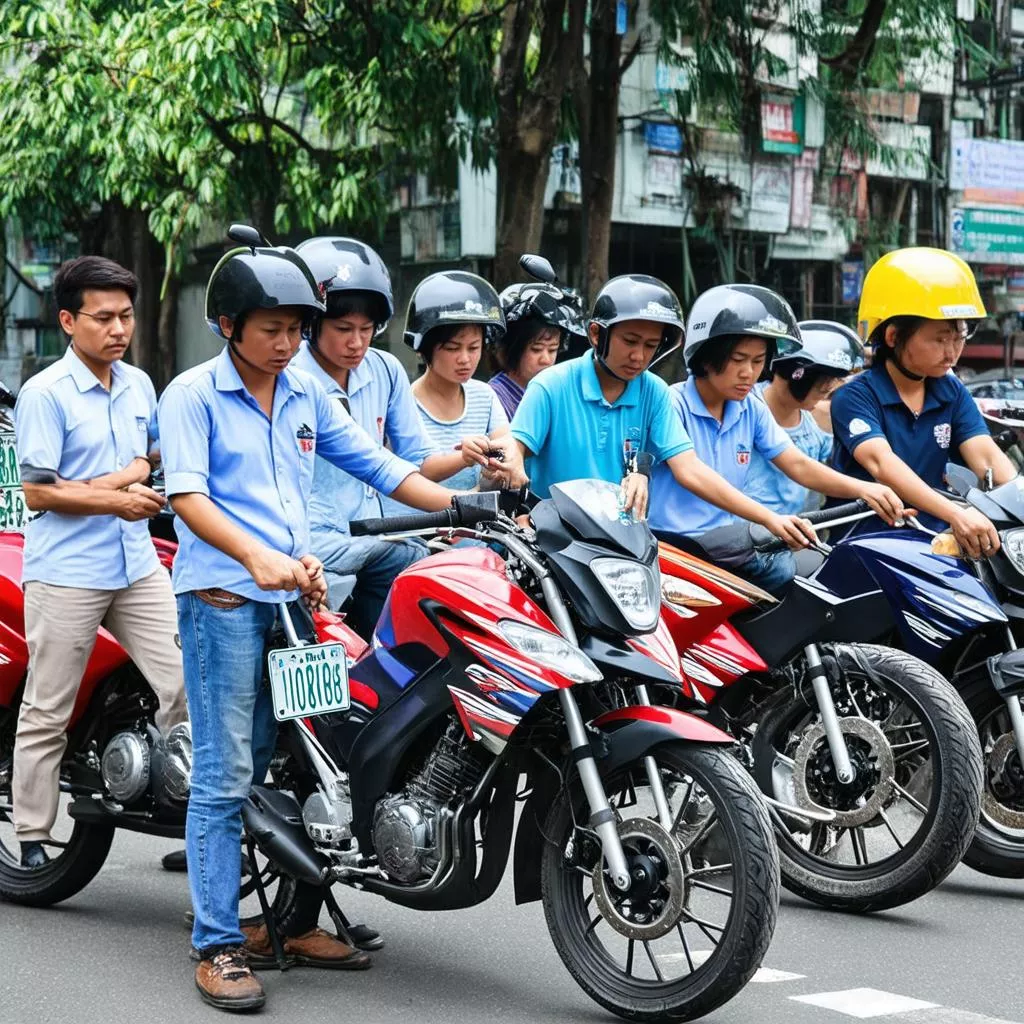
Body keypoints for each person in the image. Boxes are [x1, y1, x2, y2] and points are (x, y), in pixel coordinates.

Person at [158, 231, 460, 1013]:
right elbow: (186, 498)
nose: (289, 343)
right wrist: (257, 557)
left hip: (297, 606)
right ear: (228, 324)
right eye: (273, 328)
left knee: (308, 758)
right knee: (227, 775)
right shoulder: (192, 394)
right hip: (224, 605)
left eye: (297, 328)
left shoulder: (303, 394)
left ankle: (289, 924)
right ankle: (217, 944)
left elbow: (381, 465)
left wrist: (470, 507)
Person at [12, 256, 188, 870]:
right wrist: (120, 489)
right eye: (104, 317)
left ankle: (191, 810)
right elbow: (40, 492)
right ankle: (33, 834)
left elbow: (155, 455)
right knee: (49, 705)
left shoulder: (139, 384)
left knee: (186, 682)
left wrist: (140, 472)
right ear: (68, 320)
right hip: (66, 571)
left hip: (137, 564)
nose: (119, 329)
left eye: (127, 316)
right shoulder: (46, 394)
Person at [289, 238, 499, 634]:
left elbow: (414, 462)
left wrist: (468, 479)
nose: (356, 343)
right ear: (310, 323)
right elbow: (375, 466)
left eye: (367, 329)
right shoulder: (291, 380)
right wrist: (461, 502)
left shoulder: (384, 369)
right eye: (343, 328)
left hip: (376, 537)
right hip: (312, 547)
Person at [648, 285, 902, 594]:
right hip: (679, 549)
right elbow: (691, 473)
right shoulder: (670, 403)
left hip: (728, 548)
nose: (749, 373)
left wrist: (866, 488)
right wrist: (770, 519)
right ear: (706, 355)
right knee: (786, 569)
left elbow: (796, 464)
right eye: (738, 359)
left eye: (757, 362)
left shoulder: (750, 408)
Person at [830, 247, 1017, 557]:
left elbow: (987, 458)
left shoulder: (951, 392)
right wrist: (956, 514)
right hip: (867, 545)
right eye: (940, 338)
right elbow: (883, 465)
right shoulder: (855, 396)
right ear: (893, 337)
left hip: (935, 544)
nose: (953, 351)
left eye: (959, 337)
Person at [382, 271, 513, 514]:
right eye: (452, 348)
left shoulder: (485, 396)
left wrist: (497, 465)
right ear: (423, 348)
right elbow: (412, 473)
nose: (465, 359)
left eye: (474, 348)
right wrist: (463, 457)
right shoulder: (401, 403)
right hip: (417, 542)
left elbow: (506, 449)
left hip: (479, 540)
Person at [746, 320, 864, 515]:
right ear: (796, 375)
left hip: (796, 534)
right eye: (821, 387)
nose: (825, 393)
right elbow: (799, 466)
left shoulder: (817, 420)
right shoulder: (747, 406)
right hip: (744, 533)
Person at [489, 278, 587, 418]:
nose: (546, 360)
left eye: (552, 350)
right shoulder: (493, 398)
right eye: (536, 349)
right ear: (512, 348)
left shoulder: (554, 391)